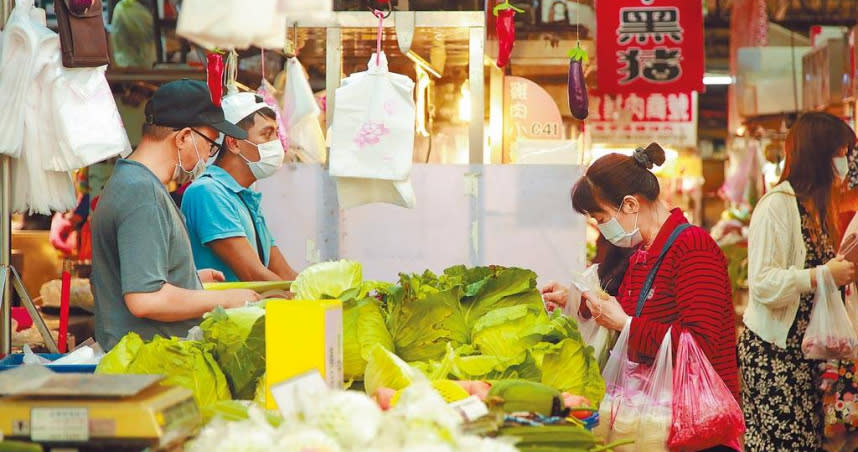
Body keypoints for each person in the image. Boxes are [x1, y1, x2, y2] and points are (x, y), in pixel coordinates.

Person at [542, 142, 740, 452]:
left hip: (698, 429)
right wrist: (577, 302)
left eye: (601, 217)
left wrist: (626, 325)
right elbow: (626, 312)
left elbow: (699, 344)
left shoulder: (693, 249)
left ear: (631, 205)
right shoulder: (642, 254)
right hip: (656, 424)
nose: (599, 228)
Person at [91, 79, 261, 351]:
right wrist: (227, 299)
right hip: (147, 369)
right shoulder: (141, 193)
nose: (209, 154)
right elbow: (145, 299)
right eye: (210, 144)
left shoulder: (134, 182)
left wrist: (186, 278)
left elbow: (138, 277)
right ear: (182, 137)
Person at [739, 111, 856, 451]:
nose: (846, 161)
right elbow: (762, 282)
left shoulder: (815, 208)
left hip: (805, 355)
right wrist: (822, 275)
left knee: (806, 443)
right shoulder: (777, 206)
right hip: (774, 355)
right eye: (840, 151)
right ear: (819, 155)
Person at [181, 92, 298, 282]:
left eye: (276, 134)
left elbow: (283, 274)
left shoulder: (244, 196)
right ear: (234, 143)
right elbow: (254, 275)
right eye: (267, 134)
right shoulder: (208, 192)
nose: (276, 144)